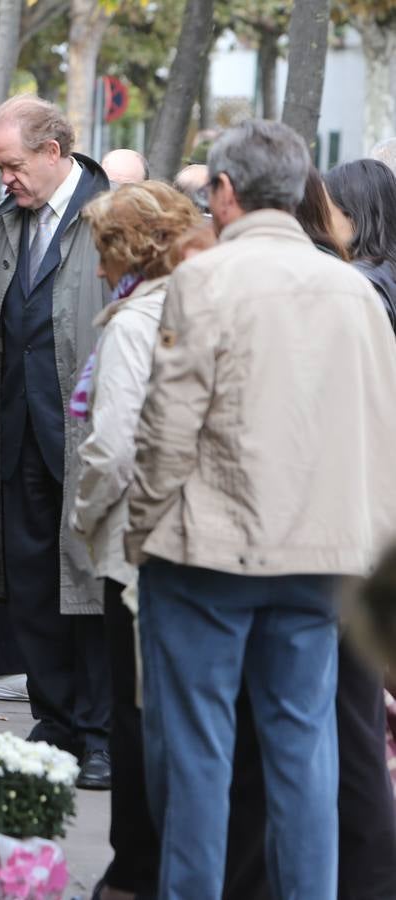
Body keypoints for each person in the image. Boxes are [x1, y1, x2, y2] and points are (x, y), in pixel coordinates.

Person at [127, 119, 396, 899]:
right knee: (303, 751)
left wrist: (141, 530)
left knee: (200, 758)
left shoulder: (206, 280)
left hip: (211, 553)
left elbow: (167, 430)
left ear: (226, 192)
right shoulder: (355, 290)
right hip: (323, 558)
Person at [0, 94, 112, 789]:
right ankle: (52, 718)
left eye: (13, 166)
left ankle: (99, 731)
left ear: (55, 152)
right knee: (32, 590)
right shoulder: (3, 223)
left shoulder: (112, 218)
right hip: (16, 433)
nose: (5, 180)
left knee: (93, 591)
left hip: (85, 443)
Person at [67, 182, 204, 900]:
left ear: (128, 252)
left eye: (102, 251)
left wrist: (84, 516)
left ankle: (134, 869)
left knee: (134, 709)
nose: (94, 269)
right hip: (200, 535)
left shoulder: (131, 325)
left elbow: (112, 448)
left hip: (137, 542)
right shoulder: (206, 304)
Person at [325, 158, 396, 331]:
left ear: (353, 217)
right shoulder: (386, 273)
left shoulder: (357, 285)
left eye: (327, 212)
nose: (322, 223)